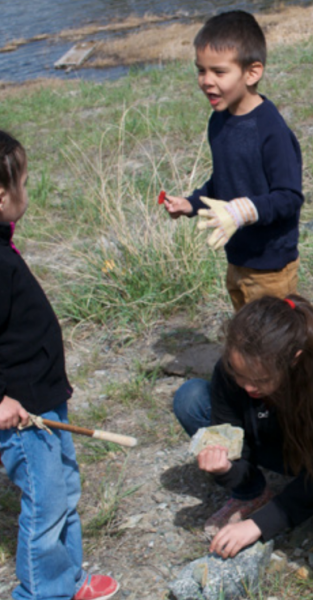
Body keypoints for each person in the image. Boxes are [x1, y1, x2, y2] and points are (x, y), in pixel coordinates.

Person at [0, 126, 120, 600]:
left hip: (43, 402)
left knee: (63, 492)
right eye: (25, 183)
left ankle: (67, 582)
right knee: (46, 503)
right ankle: (42, 594)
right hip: (21, 414)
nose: (27, 191)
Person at [162, 10, 304, 311]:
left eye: (219, 71)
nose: (206, 81)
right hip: (238, 256)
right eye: (201, 70)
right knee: (248, 333)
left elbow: (289, 197)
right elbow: (225, 181)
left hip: (272, 266)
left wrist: (243, 211)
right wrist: (192, 203)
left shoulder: (271, 131)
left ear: (252, 72)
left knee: (275, 342)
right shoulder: (220, 122)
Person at [173, 294, 313, 558]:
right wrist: (226, 469)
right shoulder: (230, 371)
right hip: (272, 445)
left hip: (304, 451)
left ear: (294, 359)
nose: (247, 387)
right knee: (190, 398)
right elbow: (235, 444)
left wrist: (260, 524)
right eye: (239, 374)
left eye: (260, 379)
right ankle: (252, 493)